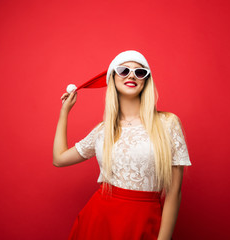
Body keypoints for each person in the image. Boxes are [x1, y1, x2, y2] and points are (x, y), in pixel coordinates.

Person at [53, 50, 191, 240]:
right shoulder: (104, 130)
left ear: (146, 81)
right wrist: (64, 113)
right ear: (113, 78)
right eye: (123, 70)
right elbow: (59, 159)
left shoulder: (168, 123)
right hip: (98, 222)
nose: (132, 75)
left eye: (140, 72)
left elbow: (174, 192)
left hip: (144, 222)